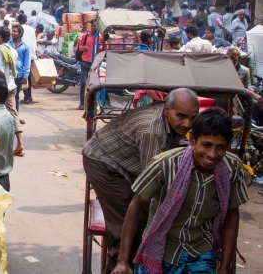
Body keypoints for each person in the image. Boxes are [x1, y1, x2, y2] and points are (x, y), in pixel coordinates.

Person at [112, 107, 248, 274]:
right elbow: (136, 207)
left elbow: (232, 215)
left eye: (220, 147)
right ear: (192, 141)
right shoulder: (164, 164)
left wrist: (225, 267)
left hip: (201, 249)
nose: (212, 154)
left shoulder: (232, 168)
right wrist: (122, 261)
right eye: (206, 145)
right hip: (162, 248)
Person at [82, 88, 200, 273]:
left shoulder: (173, 121)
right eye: (182, 116)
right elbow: (151, 182)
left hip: (128, 160)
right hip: (103, 161)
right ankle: (119, 266)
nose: (187, 123)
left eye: (193, 118)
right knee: (127, 225)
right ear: (167, 109)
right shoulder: (152, 131)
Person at [77, 20, 104, 109]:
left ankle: (95, 103)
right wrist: (82, 48)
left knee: (95, 85)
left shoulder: (101, 38)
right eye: (92, 26)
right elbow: (80, 47)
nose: (93, 28)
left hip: (96, 64)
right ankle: (82, 103)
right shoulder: (85, 36)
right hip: (85, 62)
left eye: (95, 26)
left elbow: (104, 49)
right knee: (84, 83)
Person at [9, 25, 31, 113]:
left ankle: (15, 114)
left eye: (15, 31)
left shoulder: (25, 46)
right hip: (9, 73)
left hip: (19, 74)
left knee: (16, 95)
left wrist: (26, 75)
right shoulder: (8, 44)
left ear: (20, 33)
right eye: (12, 31)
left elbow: (27, 62)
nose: (12, 33)